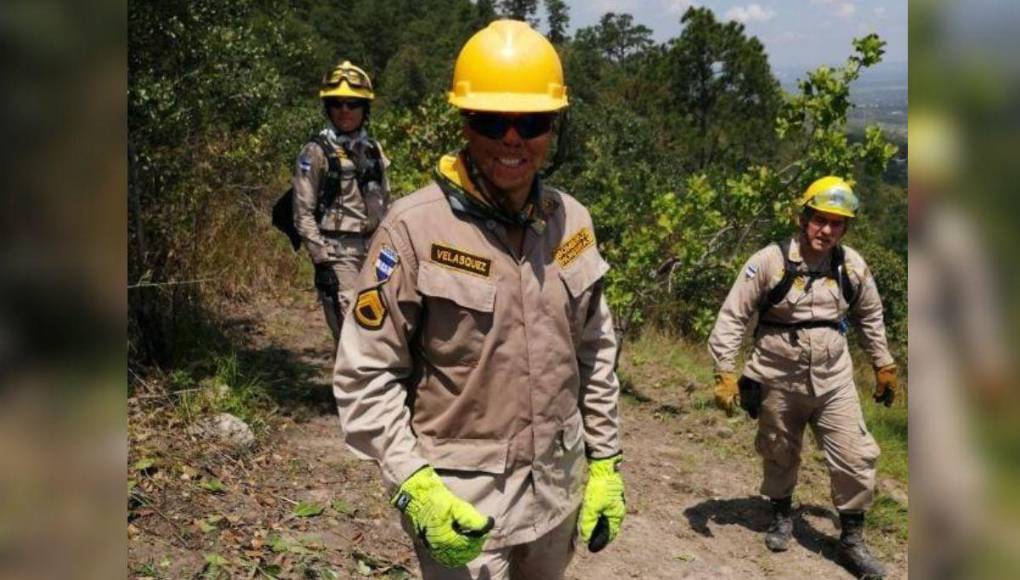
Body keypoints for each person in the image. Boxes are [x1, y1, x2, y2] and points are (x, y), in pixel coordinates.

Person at [332, 20, 624, 580]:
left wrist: (607, 460)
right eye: (492, 120)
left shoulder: (574, 223)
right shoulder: (412, 231)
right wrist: (413, 484)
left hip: (556, 493)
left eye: (532, 122)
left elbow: (596, 348)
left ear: (553, 127)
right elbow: (366, 373)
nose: (512, 139)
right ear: (466, 122)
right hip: (461, 503)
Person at [707, 176, 898, 578]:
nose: (826, 230)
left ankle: (851, 540)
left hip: (834, 380)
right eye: (819, 220)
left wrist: (883, 364)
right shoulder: (769, 262)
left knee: (856, 455)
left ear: (845, 228)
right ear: (803, 217)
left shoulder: (851, 266)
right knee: (778, 448)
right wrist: (725, 370)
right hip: (777, 376)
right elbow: (734, 315)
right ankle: (780, 514)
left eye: (837, 223)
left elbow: (870, 316)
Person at [292, 60, 390, 343]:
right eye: (337, 103)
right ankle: (348, 387)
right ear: (328, 107)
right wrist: (322, 262)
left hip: (375, 249)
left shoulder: (372, 149)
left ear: (365, 108)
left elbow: (387, 200)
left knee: (382, 327)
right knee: (352, 332)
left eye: (353, 104)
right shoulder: (315, 152)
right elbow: (302, 212)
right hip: (338, 252)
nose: (345, 110)